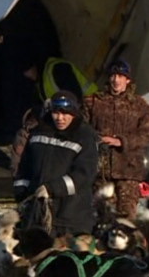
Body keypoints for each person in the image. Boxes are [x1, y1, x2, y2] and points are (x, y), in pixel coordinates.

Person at [13, 90, 99, 236]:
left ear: (74, 113)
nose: (60, 118)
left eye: (65, 114)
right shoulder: (38, 132)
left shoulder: (85, 135)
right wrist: (22, 194)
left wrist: (52, 188)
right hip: (37, 214)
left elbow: (84, 174)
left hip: (71, 217)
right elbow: (25, 167)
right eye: (56, 113)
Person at [82, 58, 149, 220]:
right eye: (113, 76)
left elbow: (146, 133)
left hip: (128, 171)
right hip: (100, 171)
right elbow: (81, 128)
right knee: (102, 216)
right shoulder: (93, 102)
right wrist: (97, 139)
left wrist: (122, 141)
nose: (116, 80)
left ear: (127, 80)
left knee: (126, 219)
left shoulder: (139, 105)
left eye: (121, 76)